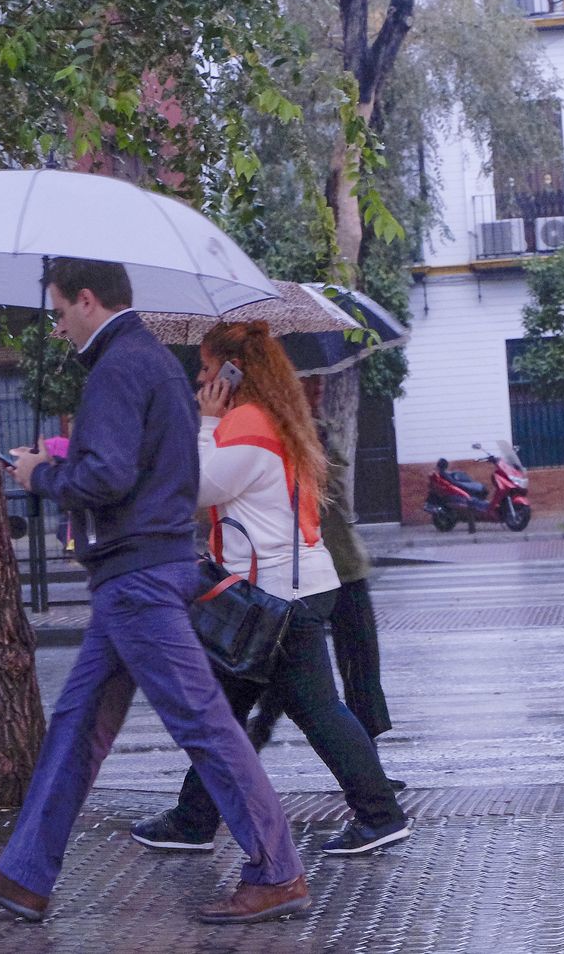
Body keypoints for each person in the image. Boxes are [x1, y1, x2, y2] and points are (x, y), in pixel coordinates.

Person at [0, 260, 309, 926]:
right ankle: (24, 876)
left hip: (137, 579)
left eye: (59, 313)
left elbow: (107, 477)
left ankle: (278, 870)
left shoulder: (118, 367)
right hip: (144, 570)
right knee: (76, 727)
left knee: (202, 725)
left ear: (87, 301)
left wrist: (40, 474)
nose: (57, 328)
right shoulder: (153, 363)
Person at [131, 321, 409, 857]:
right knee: (229, 708)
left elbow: (197, 488)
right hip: (286, 590)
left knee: (314, 712)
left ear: (236, 371)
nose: (201, 376)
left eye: (208, 367)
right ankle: (193, 819)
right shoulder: (269, 417)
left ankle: (379, 814)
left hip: (278, 596)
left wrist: (204, 424)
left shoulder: (247, 423)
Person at [247, 375, 396, 773]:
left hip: (346, 563)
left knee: (361, 666)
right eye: (307, 382)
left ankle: (370, 765)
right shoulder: (278, 435)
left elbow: (339, 497)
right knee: (292, 669)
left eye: (318, 382)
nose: (318, 389)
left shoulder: (321, 431)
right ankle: (256, 735)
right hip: (308, 570)